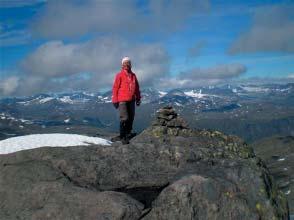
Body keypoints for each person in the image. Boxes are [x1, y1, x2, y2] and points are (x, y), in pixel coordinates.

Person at [111, 57, 141, 144]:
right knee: (124, 118)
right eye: (125, 63)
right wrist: (115, 100)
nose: (126, 65)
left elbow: (137, 88)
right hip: (122, 100)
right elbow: (115, 88)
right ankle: (122, 136)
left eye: (128, 63)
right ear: (122, 65)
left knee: (131, 117)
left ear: (130, 65)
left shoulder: (133, 76)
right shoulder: (119, 75)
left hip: (131, 100)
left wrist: (138, 98)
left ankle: (128, 134)